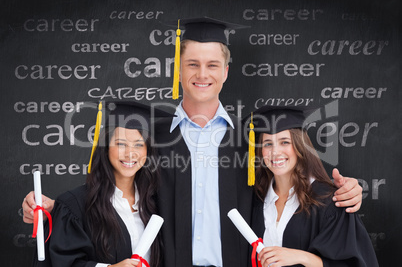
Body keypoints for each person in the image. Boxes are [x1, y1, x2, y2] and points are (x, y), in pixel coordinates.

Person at [23, 17, 363, 267]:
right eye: (193, 64)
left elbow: (292, 176)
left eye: (213, 64)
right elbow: (116, 187)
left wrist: (347, 190)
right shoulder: (150, 137)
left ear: (226, 71)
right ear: (179, 69)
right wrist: (58, 209)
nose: (203, 74)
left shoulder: (251, 139)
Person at [32, 101, 172, 267]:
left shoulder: (158, 203)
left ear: (148, 150)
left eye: (139, 144)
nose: (130, 153)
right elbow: (61, 263)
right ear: (106, 147)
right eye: (121, 144)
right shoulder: (75, 207)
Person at [247, 105, 378, 267]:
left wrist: (302, 257)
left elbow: (352, 263)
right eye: (267, 144)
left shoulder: (329, 201)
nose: (275, 152)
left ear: (300, 145)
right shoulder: (254, 199)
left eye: (284, 142)